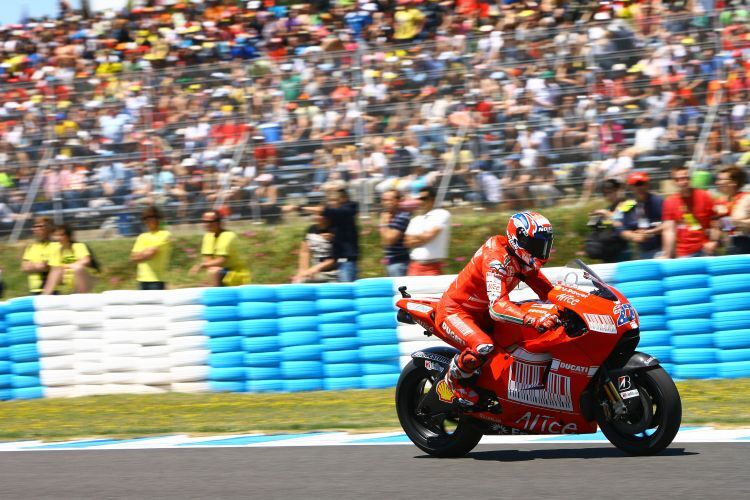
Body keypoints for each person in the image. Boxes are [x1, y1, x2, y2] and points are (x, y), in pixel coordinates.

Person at [437, 211, 557, 406]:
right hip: (457, 311)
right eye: (537, 244)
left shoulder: (522, 260)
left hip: (483, 315)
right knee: (483, 346)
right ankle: (452, 382)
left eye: (545, 244)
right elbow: (498, 306)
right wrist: (533, 319)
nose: (541, 250)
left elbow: (548, 291)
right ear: (519, 239)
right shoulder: (496, 259)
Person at [661, 165, 719, 258]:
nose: (683, 182)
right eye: (678, 179)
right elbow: (669, 231)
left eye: (685, 178)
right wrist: (667, 255)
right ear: (674, 182)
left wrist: (714, 241)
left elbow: (715, 221)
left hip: (705, 249)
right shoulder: (670, 202)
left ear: (690, 179)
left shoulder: (704, 196)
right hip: (684, 252)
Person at [189, 210, 251, 287]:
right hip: (219, 271)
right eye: (204, 221)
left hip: (236, 274)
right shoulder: (208, 236)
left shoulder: (228, 236)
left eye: (211, 222)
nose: (207, 224)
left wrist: (201, 265)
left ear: (219, 222)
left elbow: (221, 260)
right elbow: (208, 260)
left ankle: (217, 292)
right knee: (212, 272)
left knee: (214, 272)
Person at [614, 171, 664, 259]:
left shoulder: (658, 201)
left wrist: (649, 233)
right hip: (643, 252)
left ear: (647, 185)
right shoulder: (626, 205)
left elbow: (669, 224)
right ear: (630, 187)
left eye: (642, 184)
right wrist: (631, 236)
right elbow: (618, 225)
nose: (640, 187)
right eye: (636, 185)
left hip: (662, 250)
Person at [404, 187, 451, 276]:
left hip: (432, 267)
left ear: (432, 199)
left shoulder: (442, 214)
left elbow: (429, 235)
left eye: (424, 198)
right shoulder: (415, 219)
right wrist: (423, 236)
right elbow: (407, 242)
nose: (420, 201)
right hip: (414, 266)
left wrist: (416, 237)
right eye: (419, 198)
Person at [42, 224, 97, 294]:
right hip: (68, 282)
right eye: (56, 235)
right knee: (56, 270)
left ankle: (82, 295)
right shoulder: (56, 251)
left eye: (61, 235)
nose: (58, 238)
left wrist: (68, 266)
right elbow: (53, 272)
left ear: (69, 237)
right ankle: (45, 296)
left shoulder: (78, 246)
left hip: (87, 280)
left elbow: (86, 260)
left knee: (77, 267)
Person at [130, 206, 172, 290]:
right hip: (141, 281)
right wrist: (144, 253)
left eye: (151, 217)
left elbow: (150, 254)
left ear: (158, 218)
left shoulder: (165, 234)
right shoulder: (142, 236)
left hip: (157, 281)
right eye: (145, 218)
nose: (148, 220)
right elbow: (133, 258)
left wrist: (142, 253)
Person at [291, 213, 338, 283]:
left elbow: (338, 258)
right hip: (317, 272)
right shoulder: (311, 229)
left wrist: (315, 268)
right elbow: (304, 252)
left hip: (334, 273)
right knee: (298, 282)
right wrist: (302, 272)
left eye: (321, 214)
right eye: (316, 214)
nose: (318, 217)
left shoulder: (336, 231)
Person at [715, 166, 750, 254]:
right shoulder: (720, 201)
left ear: (734, 182)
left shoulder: (746, 198)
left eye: (721, 179)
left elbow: (733, 222)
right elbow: (725, 227)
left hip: (745, 243)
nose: (717, 182)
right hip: (729, 245)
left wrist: (737, 222)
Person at [379, 190, 411, 277]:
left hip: (399, 263)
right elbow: (384, 242)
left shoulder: (402, 216)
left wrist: (383, 223)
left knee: (400, 290)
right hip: (391, 262)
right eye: (383, 200)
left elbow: (390, 240)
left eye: (388, 200)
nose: (385, 203)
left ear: (397, 201)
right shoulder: (389, 217)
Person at [21, 216, 56, 295]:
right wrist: (40, 265)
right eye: (34, 227)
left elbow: (48, 267)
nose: (36, 229)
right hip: (34, 291)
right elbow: (24, 267)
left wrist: (33, 266)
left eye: (40, 226)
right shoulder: (31, 247)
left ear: (49, 229)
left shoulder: (56, 246)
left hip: (52, 290)